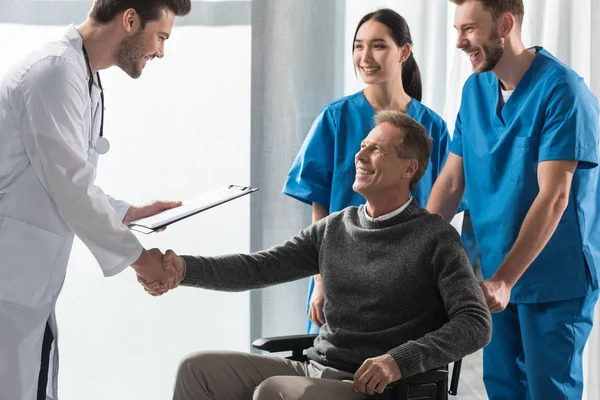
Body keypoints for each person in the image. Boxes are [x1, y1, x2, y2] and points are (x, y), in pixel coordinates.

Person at [141, 110, 492, 400]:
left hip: (381, 387)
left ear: (408, 169)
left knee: (274, 391)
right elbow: (258, 268)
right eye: (363, 146)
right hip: (316, 368)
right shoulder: (336, 227)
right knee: (197, 369)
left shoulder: (434, 238)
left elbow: (475, 324)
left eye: (377, 150)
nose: (360, 155)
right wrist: (183, 269)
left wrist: (397, 362)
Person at [0, 1, 191, 399]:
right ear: (130, 19)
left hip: (27, 285)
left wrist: (128, 213)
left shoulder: (81, 75)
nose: (161, 52)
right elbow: (71, 188)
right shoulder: (53, 72)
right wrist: (143, 261)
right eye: (161, 37)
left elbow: (59, 176)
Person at [426, 0, 600, 398]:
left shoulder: (562, 90)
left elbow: (554, 195)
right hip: (494, 274)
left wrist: (506, 279)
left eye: (469, 29)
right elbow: (452, 182)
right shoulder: (476, 90)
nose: (459, 42)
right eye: (456, 30)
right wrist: (409, 251)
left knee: (548, 391)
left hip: (554, 276)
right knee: (502, 388)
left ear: (505, 24)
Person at [282, 8, 459, 335]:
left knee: (400, 372)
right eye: (358, 46)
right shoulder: (336, 118)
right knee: (328, 372)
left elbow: (444, 201)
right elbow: (319, 205)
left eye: (378, 45)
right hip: (340, 274)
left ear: (403, 51)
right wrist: (321, 281)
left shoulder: (433, 127)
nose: (365, 56)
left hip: (409, 280)